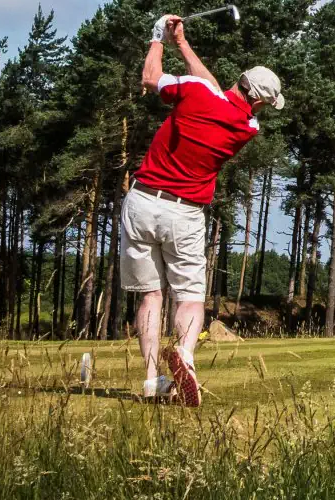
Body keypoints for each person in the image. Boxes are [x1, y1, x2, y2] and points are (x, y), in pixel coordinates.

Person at [125, 15, 284, 407]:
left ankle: (150, 379)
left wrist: (158, 38)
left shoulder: (197, 92)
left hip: (143, 202)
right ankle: (186, 355)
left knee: (150, 296)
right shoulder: (246, 126)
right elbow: (211, 89)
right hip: (185, 213)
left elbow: (151, 78)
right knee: (190, 296)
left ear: (240, 79)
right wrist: (182, 42)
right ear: (259, 102)